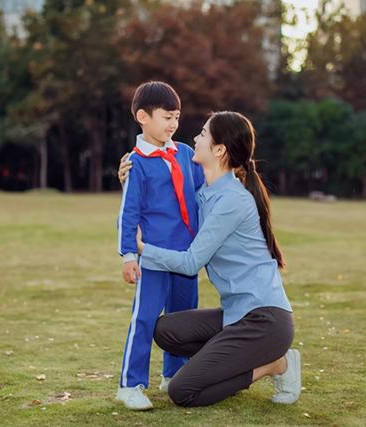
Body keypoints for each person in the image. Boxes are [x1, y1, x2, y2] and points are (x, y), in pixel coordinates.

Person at [121, 111, 301, 408]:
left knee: (183, 391)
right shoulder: (205, 193)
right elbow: (164, 193)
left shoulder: (232, 200)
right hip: (236, 314)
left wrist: (142, 249)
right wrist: (129, 176)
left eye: (203, 134)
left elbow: (191, 263)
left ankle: (276, 365)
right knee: (165, 330)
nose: (195, 138)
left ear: (219, 150)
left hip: (264, 321)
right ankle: (225, 359)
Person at [115, 81, 205, 410]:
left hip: (186, 258)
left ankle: (174, 375)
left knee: (182, 321)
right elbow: (129, 214)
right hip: (151, 257)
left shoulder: (184, 154)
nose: (173, 124)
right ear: (142, 117)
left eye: (177, 118)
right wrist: (128, 255)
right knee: (146, 319)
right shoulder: (135, 163)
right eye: (167, 117)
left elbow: (202, 194)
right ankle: (130, 384)